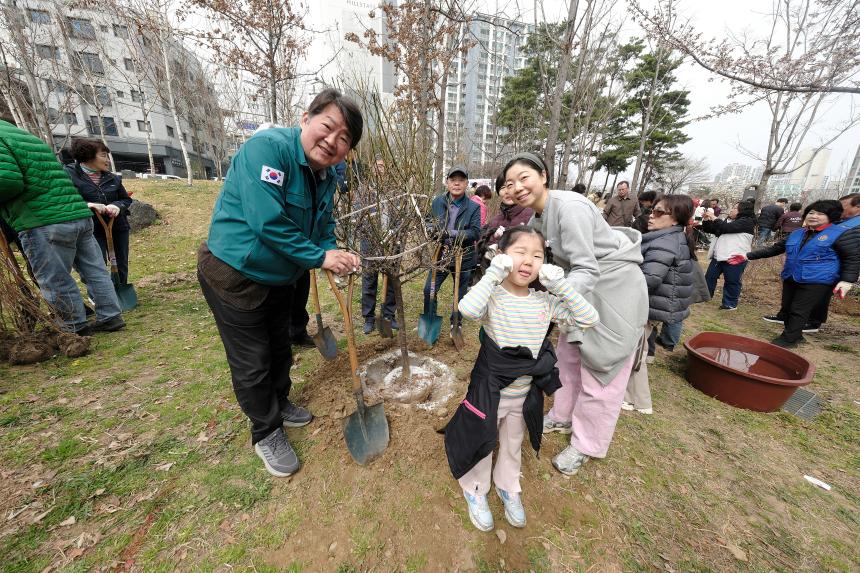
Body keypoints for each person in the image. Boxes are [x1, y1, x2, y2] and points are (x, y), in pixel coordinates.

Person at [197, 88, 363, 477]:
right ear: (306, 118)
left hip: (281, 276)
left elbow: (323, 223)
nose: (332, 141)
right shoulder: (267, 150)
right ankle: (266, 431)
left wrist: (331, 250)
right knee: (253, 360)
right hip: (236, 274)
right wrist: (319, 257)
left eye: (344, 139)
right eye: (328, 127)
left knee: (279, 347)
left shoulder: (326, 176)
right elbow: (267, 221)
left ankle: (280, 402)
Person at [504, 153, 648, 476]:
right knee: (568, 356)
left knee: (601, 367)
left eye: (524, 178)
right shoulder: (537, 219)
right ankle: (563, 414)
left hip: (612, 291)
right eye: (510, 183)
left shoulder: (570, 208)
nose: (517, 187)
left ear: (543, 176)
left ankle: (587, 443)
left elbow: (586, 268)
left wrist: (550, 303)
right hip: (578, 290)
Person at [445, 226, 598, 531]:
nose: (529, 261)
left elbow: (588, 319)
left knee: (513, 441)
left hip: (524, 391)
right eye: (520, 252)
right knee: (482, 438)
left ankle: (507, 484)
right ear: (502, 255)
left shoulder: (544, 302)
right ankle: (475, 488)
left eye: (537, 256)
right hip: (490, 390)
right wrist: (493, 272)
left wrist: (561, 286)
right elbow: (467, 309)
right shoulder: (493, 296)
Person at [0, 119, 123, 335]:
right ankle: (111, 316)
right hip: (77, 214)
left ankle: (74, 327)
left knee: (55, 278)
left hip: (44, 219)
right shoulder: (22, 135)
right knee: (94, 270)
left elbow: (7, 181)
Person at [728, 199, 859, 348]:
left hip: (818, 279)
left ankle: (788, 340)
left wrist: (846, 280)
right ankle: (796, 335)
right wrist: (747, 256)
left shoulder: (840, 233)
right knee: (788, 307)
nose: (814, 216)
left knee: (799, 309)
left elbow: (852, 258)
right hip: (792, 275)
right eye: (811, 212)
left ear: (831, 217)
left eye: (820, 214)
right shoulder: (798, 233)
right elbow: (775, 249)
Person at [623, 195, 695, 414]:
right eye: (652, 210)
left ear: (675, 219)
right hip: (653, 303)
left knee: (634, 353)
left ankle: (636, 400)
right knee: (638, 350)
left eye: (659, 212)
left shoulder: (665, 242)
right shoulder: (669, 237)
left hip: (648, 305)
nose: (651, 216)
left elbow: (649, 279)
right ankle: (635, 399)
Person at [64, 139, 133, 285]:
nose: (107, 160)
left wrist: (117, 206)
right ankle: (101, 292)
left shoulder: (112, 178)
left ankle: (120, 288)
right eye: (103, 155)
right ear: (89, 156)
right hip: (90, 229)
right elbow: (65, 199)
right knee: (96, 264)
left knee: (120, 262)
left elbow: (125, 199)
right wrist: (88, 205)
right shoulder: (68, 175)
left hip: (117, 226)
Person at [424, 166, 481, 327]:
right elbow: (429, 220)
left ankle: (456, 322)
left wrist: (451, 233)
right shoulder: (437, 202)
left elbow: (475, 233)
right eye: (453, 180)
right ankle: (430, 320)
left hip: (463, 256)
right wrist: (430, 228)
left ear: (466, 184)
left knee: (459, 294)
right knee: (429, 290)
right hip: (441, 255)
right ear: (447, 182)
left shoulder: (473, 207)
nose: (457, 183)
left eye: (461, 180)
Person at [806, 193, 860, 330]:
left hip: (834, 269)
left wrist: (847, 279)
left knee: (821, 294)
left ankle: (813, 322)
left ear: (858, 207)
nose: (838, 210)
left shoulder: (855, 227)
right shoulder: (844, 222)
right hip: (827, 267)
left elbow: (852, 256)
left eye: (842, 207)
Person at [359, 157, 397, 334]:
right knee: (369, 279)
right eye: (377, 166)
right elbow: (359, 217)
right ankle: (369, 317)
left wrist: (394, 233)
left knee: (391, 280)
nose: (379, 169)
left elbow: (401, 213)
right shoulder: (364, 190)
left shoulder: (394, 190)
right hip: (370, 242)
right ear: (372, 168)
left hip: (391, 240)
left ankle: (389, 315)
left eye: (382, 166)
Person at [699, 199, 756, 310]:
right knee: (709, 277)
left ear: (743, 211)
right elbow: (711, 229)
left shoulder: (747, 222)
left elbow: (726, 228)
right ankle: (705, 296)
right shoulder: (728, 221)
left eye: (735, 208)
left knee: (732, 281)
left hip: (735, 258)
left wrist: (714, 217)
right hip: (719, 256)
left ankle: (729, 304)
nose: (731, 210)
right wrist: (706, 219)